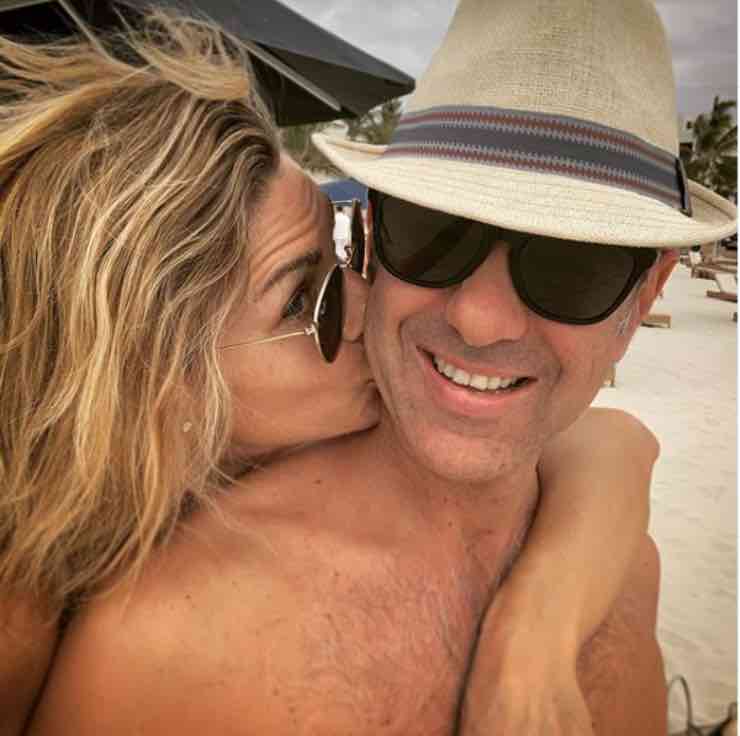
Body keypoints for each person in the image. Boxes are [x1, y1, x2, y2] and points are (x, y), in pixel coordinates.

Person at [0, 6, 675, 736]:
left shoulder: (611, 556)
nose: (361, 304)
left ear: (648, 294)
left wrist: (535, 627)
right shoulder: (110, 636)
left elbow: (616, 442)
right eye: (433, 233)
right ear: (155, 386)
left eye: (575, 264)